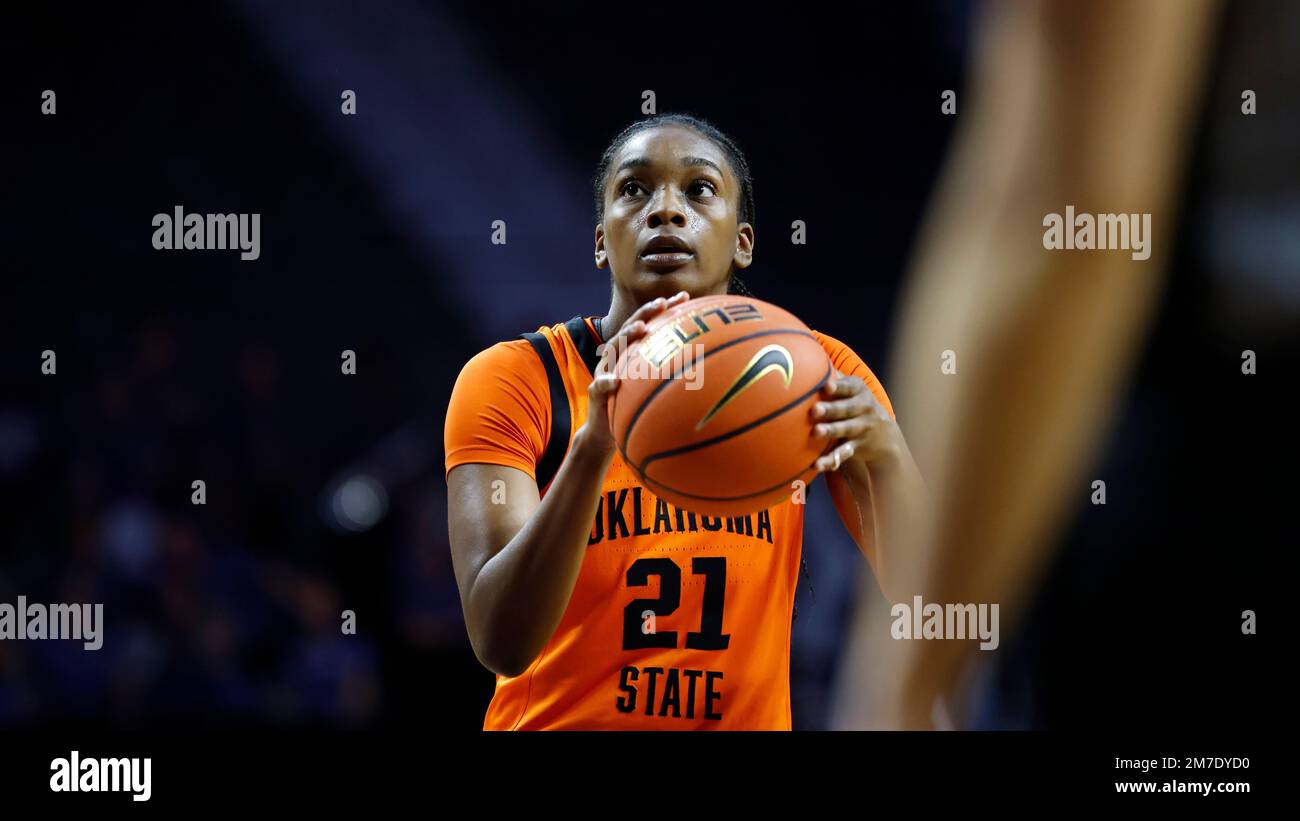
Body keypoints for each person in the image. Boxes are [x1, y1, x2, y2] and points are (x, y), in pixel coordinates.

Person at [443, 113, 928, 729]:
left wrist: (883, 462)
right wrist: (593, 449)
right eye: (634, 189)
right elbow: (501, 640)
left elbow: (935, 608)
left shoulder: (813, 370)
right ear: (601, 240)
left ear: (743, 240)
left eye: (699, 189)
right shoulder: (518, 377)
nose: (665, 210)